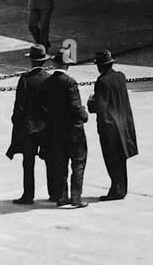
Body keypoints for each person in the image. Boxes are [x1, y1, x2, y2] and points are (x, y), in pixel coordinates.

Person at [88, 49, 138, 201]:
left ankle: (116, 190)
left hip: (109, 127)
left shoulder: (102, 81)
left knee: (111, 159)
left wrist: (91, 103)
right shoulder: (120, 76)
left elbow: (100, 107)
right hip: (123, 123)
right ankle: (121, 188)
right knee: (121, 158)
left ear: (101, 66)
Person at [8, 44, 53, 204]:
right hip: (46, 127)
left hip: (29, 128)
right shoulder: (49, 78)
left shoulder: (26, 79)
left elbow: (19, 105)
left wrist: (15, 120)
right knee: (50, 160)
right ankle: (53, 193)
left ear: (32, 61)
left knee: (28, 163)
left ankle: (28, 195)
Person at [42, 65, 89, 208]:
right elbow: (75, 107)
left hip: (56, 130)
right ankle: (76, 198)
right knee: (78, 163)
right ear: (67, 65)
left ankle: (62, 197)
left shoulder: (47, 83)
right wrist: (84, 115)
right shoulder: (70, 82)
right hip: (74, 131)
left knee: (60, 165)